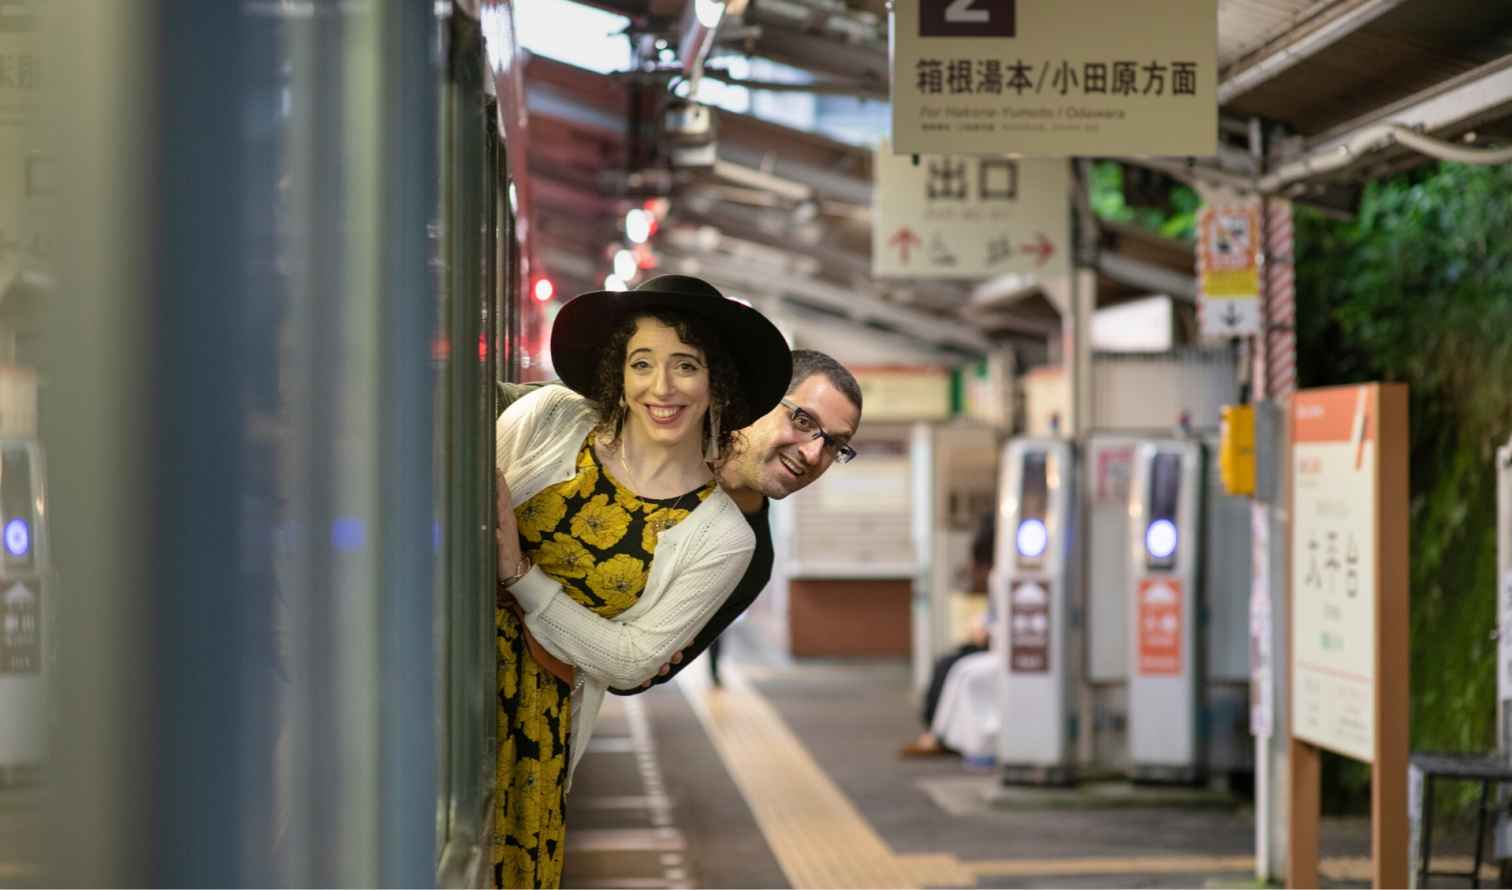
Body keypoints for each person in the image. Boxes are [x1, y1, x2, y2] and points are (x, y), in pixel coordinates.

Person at [491, 274, 791, 889]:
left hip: (534, 730)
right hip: (434, 673)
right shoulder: (550, 419)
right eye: (642, 363)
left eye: (685, 366)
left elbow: (631, 662)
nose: (662, 387)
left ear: (715, 385)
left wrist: (518, 574)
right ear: (618, 374)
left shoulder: (721, 536)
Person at [497, 348, 866, 694]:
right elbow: (493, 402)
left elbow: (630, 677)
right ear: (761, 398)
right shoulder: (642, 418)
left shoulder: (749, 558)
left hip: (535, 700)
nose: (814, 453)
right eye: (803, 420)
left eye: (835, 444)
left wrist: (637, 655)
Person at [900, 512, 995, 757]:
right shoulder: (1000, 574)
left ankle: (939, 735)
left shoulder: (1003, 573)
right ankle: (939, 733)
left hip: (999, 645)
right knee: (950, 665)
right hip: (994, 641)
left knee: (958, 670)